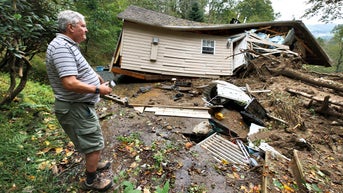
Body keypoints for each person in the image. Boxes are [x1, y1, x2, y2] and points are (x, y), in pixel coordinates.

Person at [46, 10, 113, 191]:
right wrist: (99, 89)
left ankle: (94, 162)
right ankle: (91, 181)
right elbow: (69, 82)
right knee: (94, 143)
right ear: (71, 27)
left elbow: (76, 69)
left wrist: (94, 76)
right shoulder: (61, 47)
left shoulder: (68, 44)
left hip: (79, 106)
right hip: (75, 107)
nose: (86, 30)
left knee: (90, 141)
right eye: (83, 26)